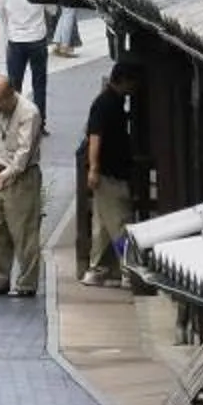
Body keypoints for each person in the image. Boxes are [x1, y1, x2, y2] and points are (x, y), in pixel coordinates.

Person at [0, 71, 45, 297]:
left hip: (22, 177)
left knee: (23, 231)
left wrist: (2, 176)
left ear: (10, 95)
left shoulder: (29, 113)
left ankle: (27, 283)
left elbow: (23, 156)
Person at [82, 61, 142, 286]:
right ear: (124, 80)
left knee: (103, 225)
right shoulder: (105, 104)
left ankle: (96, 269)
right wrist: (94, 168)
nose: (136, 87)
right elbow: (95, 137)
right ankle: (128, 269)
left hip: (109, 172)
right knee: (121, 223)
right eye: (134, 82)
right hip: (109, 174)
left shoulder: (113, 102)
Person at [0, 0, 52, 119]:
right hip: (37, 37)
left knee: (14, 85)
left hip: (16, 39)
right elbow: (52, 9)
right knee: (39, 84)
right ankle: (40, 120)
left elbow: (0, 19)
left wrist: (0, 50)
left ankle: (14, 119)